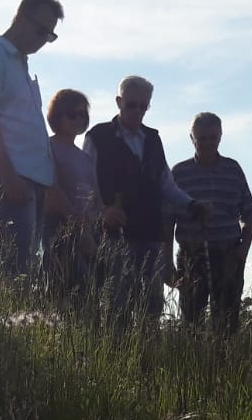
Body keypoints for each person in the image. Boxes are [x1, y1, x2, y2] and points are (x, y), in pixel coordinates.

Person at [82, 76, 207, 320]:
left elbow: (165, 184)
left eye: (144, 105)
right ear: (119, 102)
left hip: (151, 232)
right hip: (113, 235)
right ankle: (115, 355)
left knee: (151, 306)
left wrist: (192, 204)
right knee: (116, 305)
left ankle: (148, 356)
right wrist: (102, 211)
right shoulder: (98, 136)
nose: (138, 110)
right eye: (132, 104)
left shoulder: (152, 138)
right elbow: (85, 184)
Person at [0, 0, 63, 278]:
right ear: (20, 17)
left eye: (49, 35)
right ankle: (4, 322)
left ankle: (13, 321)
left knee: (25, 268)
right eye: (40, 29)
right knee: (16, 268)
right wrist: (8, 176)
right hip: (9, 177)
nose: (42, 39)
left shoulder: (18, 64)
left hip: (29, 179)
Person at [171, 113, 252, 333]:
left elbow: (248, 215)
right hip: (192, 255)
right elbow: (167, 221)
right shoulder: (179, 173)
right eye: (202, 139)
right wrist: (167, 265)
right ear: (192, 138)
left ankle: (227, 365)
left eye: (213, 137)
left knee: (228, 322)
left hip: (228, 254)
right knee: (192, 321)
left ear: (220, 136)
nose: (208, 143)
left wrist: (241, 252)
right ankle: (194, 365)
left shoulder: (233, 169)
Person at [41, 89, 101, 297]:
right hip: (58, 226)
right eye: (72, 114)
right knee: (65, 287)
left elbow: (94, 196)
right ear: (57, 115)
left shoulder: (85, 157)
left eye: (83, 115)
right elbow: (51, 188)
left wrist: (90, 226)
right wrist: (76, 223)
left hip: (87, 230)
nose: (78, 119)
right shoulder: (47, 147)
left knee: (88, 291)